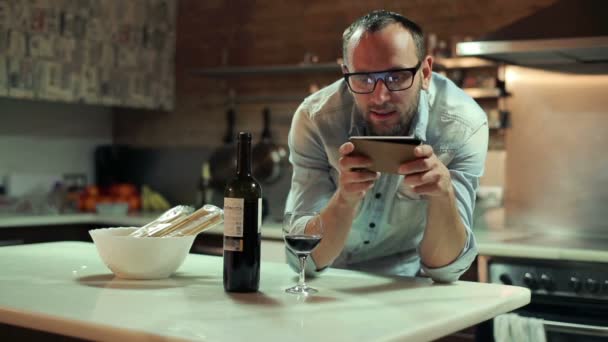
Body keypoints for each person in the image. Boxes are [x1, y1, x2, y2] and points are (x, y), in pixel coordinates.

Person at [285, 10, 488, 283]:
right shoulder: (316, 119)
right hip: (329, 278)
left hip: (405, 283)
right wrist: (345, 198)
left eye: (396, 77)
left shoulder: (463, 124)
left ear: (425, 72)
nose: (380, 97)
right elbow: (303, 260)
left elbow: (446, 269)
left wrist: (443, 195)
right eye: (363, 78)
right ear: (345, 73)